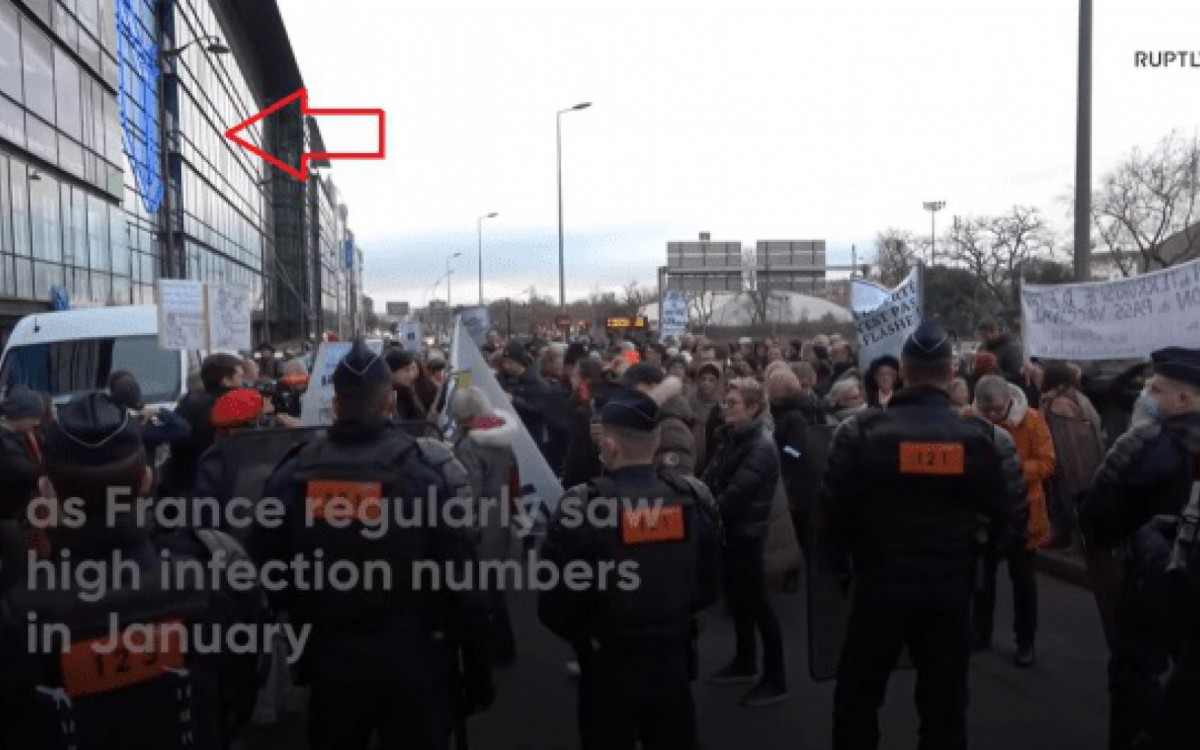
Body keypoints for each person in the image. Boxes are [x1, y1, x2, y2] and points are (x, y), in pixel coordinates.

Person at [250, 340, 494, 750]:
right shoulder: (423, 474)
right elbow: (463, 583)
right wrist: (477, 670)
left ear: (337, 405)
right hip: (413, 659)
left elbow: (260, 575)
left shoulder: (293, 474)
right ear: (390, 402)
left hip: (330, 659)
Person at [0, 393, 266, 749]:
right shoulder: (215, 571)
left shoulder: (17, 611)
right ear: (145, 480)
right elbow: (245, 683)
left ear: (47, 492)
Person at [819, 321, 1029, 749]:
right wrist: (976, 560)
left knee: (857, 703)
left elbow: (831, 515)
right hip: (949, 592)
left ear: (902, 372)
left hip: (878, 587)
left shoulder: (859, 433)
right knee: (944, 711)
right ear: (951, 373)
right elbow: (1012, 519)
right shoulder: (984, 438)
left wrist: (843, 572)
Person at [539, 388, 721, 749]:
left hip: (607, 663)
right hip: (673, 659)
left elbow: (555, 605)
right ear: (656, 442)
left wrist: (587, 639)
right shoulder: (693, 497)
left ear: (609, 446)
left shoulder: (581, 507)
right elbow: (709, 583)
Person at [1079, 347, 1200, 750]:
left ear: (1184, 399)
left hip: (1152, 582)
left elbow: (1103, 510)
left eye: (1156, 388)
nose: (1147, 395)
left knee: (1136, 675)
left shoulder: (1153, 445)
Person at [703, 378, 788, 706]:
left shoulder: (760, 447)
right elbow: (711, 478)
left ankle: (776, 678)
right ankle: (745, 661)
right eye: (727, 402)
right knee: (739, 602)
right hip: (731, 535)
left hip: (746, 536)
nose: (726, 407)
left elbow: (734, 497)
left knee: (759, 608)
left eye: (734, 403)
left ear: (753, 408)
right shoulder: (731, 438)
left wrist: (702, 507)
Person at [967, 375, 1056, 667]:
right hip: (983, 512)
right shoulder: (967, 420)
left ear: (1008, 401)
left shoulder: (1031, 420)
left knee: (1024, 581)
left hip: (1023, 511)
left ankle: (1025, 640)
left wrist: (1008, 467)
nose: (992, 416)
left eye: (997, 410)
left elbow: (1047, 463)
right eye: (986, 410)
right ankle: (981, 632)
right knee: (983, 577)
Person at [451, 386, 519, 667]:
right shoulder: (501, 436)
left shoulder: (470, 445)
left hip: (482, 519)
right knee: (494, 585)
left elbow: (470, 492)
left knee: (481, 589)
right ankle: (503, 646)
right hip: (501, 514)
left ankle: (493, 648)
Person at [1039, 362, 1105, 550]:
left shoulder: (1059, 404)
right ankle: (1066, 536)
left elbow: (1065, 440)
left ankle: (1075, 539)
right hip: (1089, 460)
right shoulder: (1079, 398)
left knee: (1068, 499)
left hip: (1070, 463)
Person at [163, 353, 246, 497]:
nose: (243, 383)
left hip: (182, 484)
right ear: (226, 380)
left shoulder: (189, 402)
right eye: (239, 377)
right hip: (209, 487)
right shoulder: (223, 409)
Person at [0, 385, 43, 520]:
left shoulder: (20, 436)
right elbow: (32, 473)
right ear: (19, 415)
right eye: (33, 417)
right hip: (9, 516)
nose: (37, 422)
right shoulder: (5, 447)